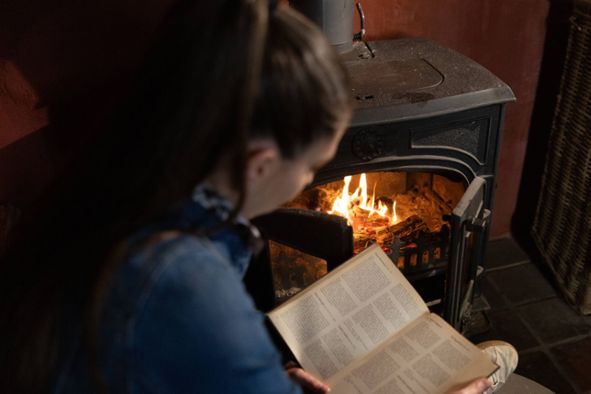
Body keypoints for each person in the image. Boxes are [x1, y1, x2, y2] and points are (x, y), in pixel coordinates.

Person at [0, 0, 515, 393]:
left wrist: (267, 375)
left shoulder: (112, 187)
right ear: (261, 163)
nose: (304, 183)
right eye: (311, 166)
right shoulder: (187, 282)